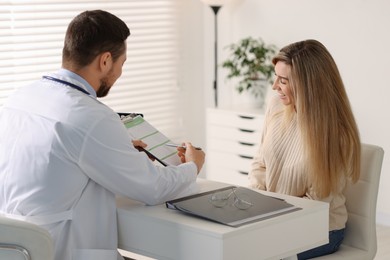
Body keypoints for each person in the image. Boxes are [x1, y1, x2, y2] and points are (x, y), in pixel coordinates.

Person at [0, 10, 205, 260]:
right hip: (63, 251)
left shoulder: (19, 97)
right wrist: (193, 166)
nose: (120, 72)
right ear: (105, 61)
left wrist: (118, 149)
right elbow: (153, 188)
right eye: (122, 63)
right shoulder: (92, 117)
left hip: (15, 249)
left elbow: (52, 156)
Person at [249, 39, 360, 259]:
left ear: (307, 84)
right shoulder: (276, 106)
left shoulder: (336, 135)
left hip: (320, 230)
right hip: (273, 220)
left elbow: (316, 204)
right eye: (275, 77)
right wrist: (253, 206)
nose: (274, 87)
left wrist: (268, 219)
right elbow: (259, 163)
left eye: (283, 80)